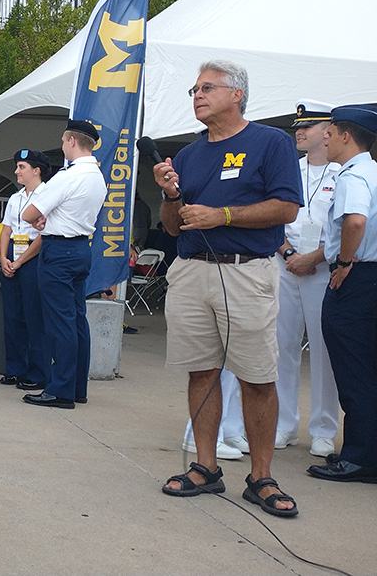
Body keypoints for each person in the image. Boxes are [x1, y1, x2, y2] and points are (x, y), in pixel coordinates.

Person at [154, 60, 302, 517]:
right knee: (201, 371)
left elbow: (287, 208)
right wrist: (170, 195)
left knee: (256, 376)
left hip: (245, 271)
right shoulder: (189, 154)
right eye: (194, 89)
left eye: (207, 88)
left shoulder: (269, 143)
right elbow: (172, 228)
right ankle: (205, 467)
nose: (197, 95)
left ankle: (261, 477)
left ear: (237, 94)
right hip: (191, 270)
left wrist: (224, 216)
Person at [308, 103, 377, 484]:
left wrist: (345, 261)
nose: (325, 138)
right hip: (372, 277)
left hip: (357, 279)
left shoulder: (352, 176)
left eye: (330, 133)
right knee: (368, 367)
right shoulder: (373, 170)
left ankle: (359, 457)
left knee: (355, 372)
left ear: (346, 136)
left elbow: (355, 220)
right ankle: (367, 451)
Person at [20, 120, 107, 409]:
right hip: (81, 246)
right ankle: (76, 386)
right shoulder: (96, 175)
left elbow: (28, 213)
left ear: (71, 141)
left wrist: (41, 217)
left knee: (60, 322)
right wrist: (48, 217)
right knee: (77, 319)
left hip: (59, 250)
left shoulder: (67, 176)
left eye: (62, 140)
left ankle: (60, 389)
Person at [274, 100, 341, 458]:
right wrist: (288, 254)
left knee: (323, 351)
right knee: (281, 347)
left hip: (322, 268)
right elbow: (274, 219)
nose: (299, 132)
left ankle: (323, 429)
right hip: (286, 264)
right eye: (298, 126)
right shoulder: (289, 169)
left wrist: (314, 258)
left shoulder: (343, 173)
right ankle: (284, 424)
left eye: (308, 127)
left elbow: (346, 229)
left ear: (327, 131)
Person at [0, 149, 52, 390]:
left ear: (36, 170)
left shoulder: (48, 195)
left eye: (21, 167)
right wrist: (3, 257)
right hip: (12, 254)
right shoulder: (15, 198)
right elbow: (6, 230)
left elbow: (43, 235)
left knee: (34, 317)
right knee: (13, 315)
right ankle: (15, 369)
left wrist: (20, 262)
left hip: (32, 256)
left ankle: (38, 371)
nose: (17, 172)